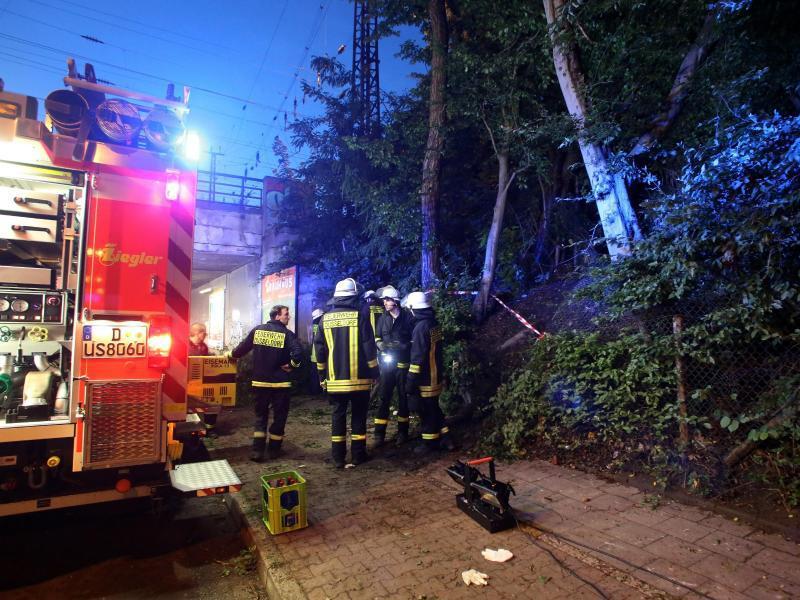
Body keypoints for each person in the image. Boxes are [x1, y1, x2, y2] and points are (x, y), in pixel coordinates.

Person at [314, 277, 379, 468]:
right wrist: (375, 372)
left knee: (338, 416)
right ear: (353, 297)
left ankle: (338, 458)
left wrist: (322, 376)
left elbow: (319, 351)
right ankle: (358, 455)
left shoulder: (325, 319)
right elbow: (369, 348)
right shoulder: (360, 316)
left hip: (335, 381)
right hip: (360, 380)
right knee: (358, 416)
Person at [231, 305, 303, 462]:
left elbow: (240, 350)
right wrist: (291, 365)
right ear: (277, 316)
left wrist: (231, 355)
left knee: (260, 416)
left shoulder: (257, 330)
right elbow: (298, 353)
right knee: (280, 416)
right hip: (280, 384)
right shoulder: (287, 334)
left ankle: (257, 451)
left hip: (260, 383)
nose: (288, 317)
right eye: (286, 314)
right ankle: (274, 450)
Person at [405, 291, 454, 452]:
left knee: (426, 411)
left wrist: (411, 379)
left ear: (414, 308)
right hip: (436, 373)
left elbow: (418, 357)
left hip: (425, 377)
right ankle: (446, 438)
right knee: (434, 407)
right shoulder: (433, 323)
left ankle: (430, 443)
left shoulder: (420, 328)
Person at [373, 285, 413, 446]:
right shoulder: (383, 318)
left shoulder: (407, 318)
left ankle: (403, 433)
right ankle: (379, 434)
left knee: (403, 399)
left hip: (403, 365)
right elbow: (377, 337)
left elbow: (414, 339)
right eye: (384, 300)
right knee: (384, 398)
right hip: (387, 366)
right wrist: (380, 345)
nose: (384, 303)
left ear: (395, 301)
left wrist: (405, 346)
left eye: (387, 300)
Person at [187, 322, 221, 437]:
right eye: (204, 333)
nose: (205, 335)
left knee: (212, 403)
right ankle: (189, 429)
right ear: (198, 333)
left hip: (201, 381)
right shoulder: (185, 345)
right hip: (186, 382)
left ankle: (210, 429)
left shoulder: (203, 347)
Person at [309, 308, 325, 393]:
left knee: (314, 375)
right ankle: (321, 391)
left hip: (314, 355)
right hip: (320, 355)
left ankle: (314, 391)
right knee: (321, 374)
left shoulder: (314, 326)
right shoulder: (320, 326)